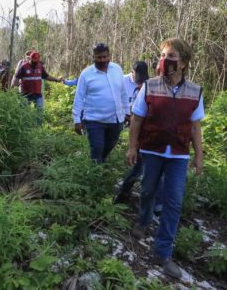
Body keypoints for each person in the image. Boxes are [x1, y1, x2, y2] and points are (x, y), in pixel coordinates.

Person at [127, 38, 204, 279]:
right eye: (162, 55)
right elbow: (137, 119)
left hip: (178, 155)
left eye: (170, 56)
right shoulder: (149, 86)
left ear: (183, 63)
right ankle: (143, 219)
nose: (164, 61)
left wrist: (198, 157)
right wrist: (132, 148)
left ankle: (163, 252)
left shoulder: (194, 91)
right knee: (148, 190)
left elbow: (195, 127)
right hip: (151, 151)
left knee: (173, 201)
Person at [73, 42, 130, 163]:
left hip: (115, 119)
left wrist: (127, 112)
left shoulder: (117, 69)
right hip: (94, 120)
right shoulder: (86, 74)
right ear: (93, 57)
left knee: (109, 146)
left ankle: (101, 165)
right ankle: (95, 174)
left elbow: (123, 92)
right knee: (97, 148)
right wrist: (77, 120)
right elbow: (79, 98)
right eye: (99, 57)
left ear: (109, 56)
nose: (102, 60)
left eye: (105, 57)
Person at [114, 61, 149, 204]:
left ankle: (125, 193)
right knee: (139, 168)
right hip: (134, 128)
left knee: (140, 168)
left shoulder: (148, 85)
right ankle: (123, 194)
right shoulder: (123, 82)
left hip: (146, 133)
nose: (139, 79)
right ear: (132, 72)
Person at [12, 50, 62, 124]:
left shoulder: (40, 66)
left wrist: (56, 80)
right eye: (33, 61)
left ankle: (39, 129)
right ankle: (25, 127)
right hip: (26, 94)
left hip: (37, 94)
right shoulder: (23, 67)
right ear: (30, 59)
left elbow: (46, 76)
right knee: (24, 113)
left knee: (39, 112)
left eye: (36, 61)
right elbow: (16, 77)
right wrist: (13, 87)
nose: (35, 62)